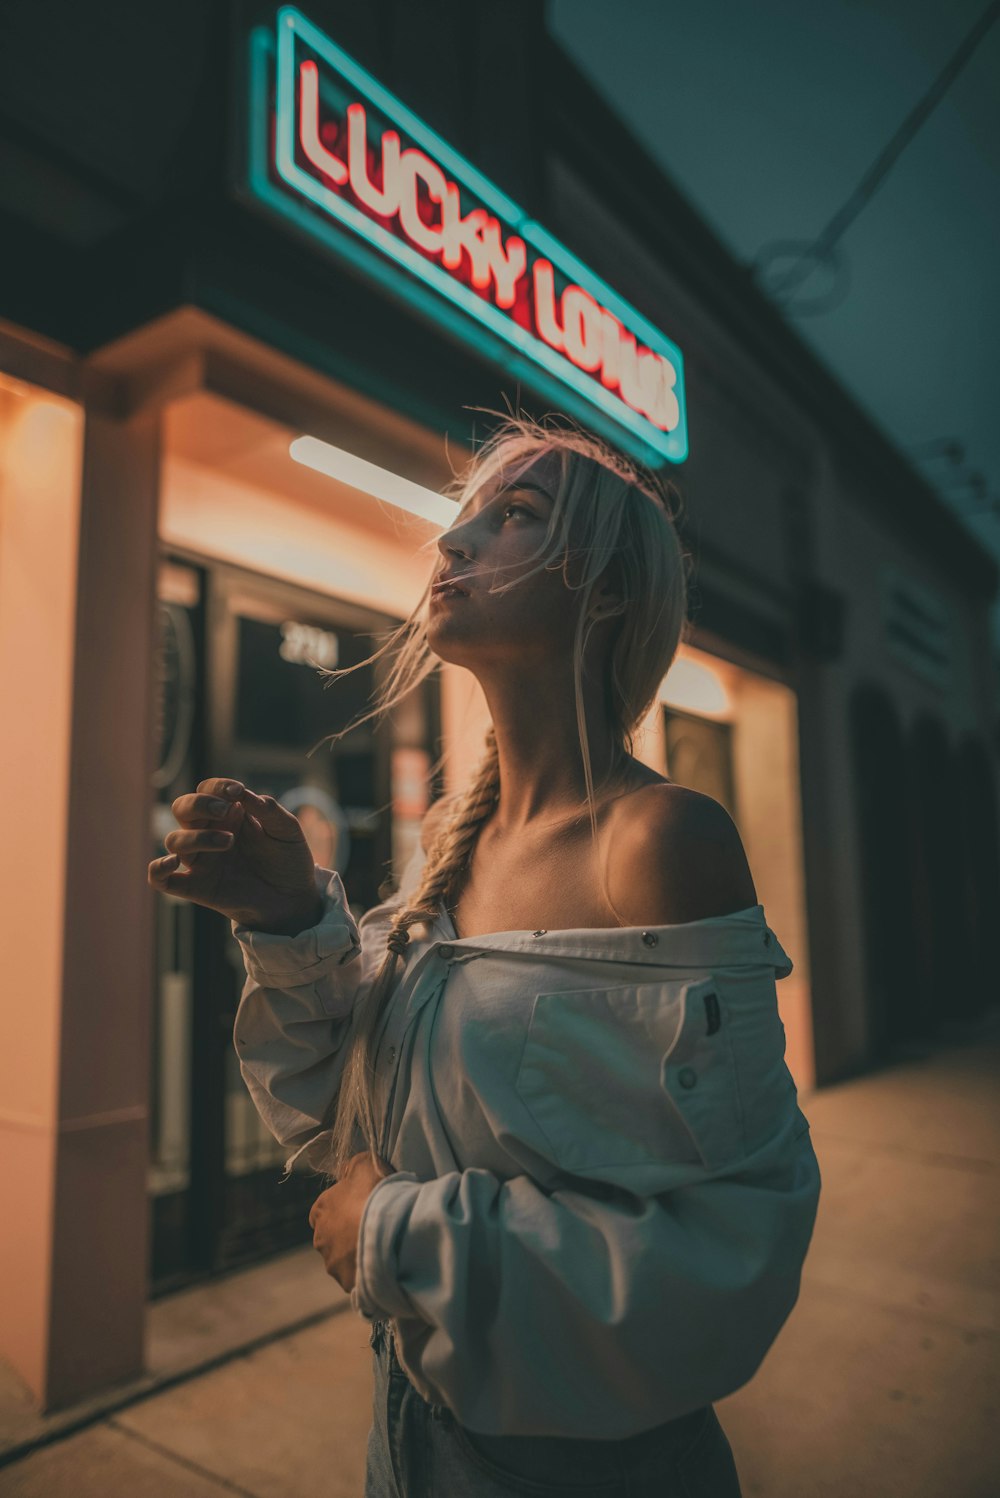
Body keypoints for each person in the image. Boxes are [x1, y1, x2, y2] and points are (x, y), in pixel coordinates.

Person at [148, 412, 822, 1497]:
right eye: (461, 520)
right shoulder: (457, 845)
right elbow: (353, 1116)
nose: (451, 545)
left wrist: (395, 1232)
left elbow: (732, 1255)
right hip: (407, 1433)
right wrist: (288, 924)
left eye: (513, 517)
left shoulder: (660, 843)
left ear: (603, 589)